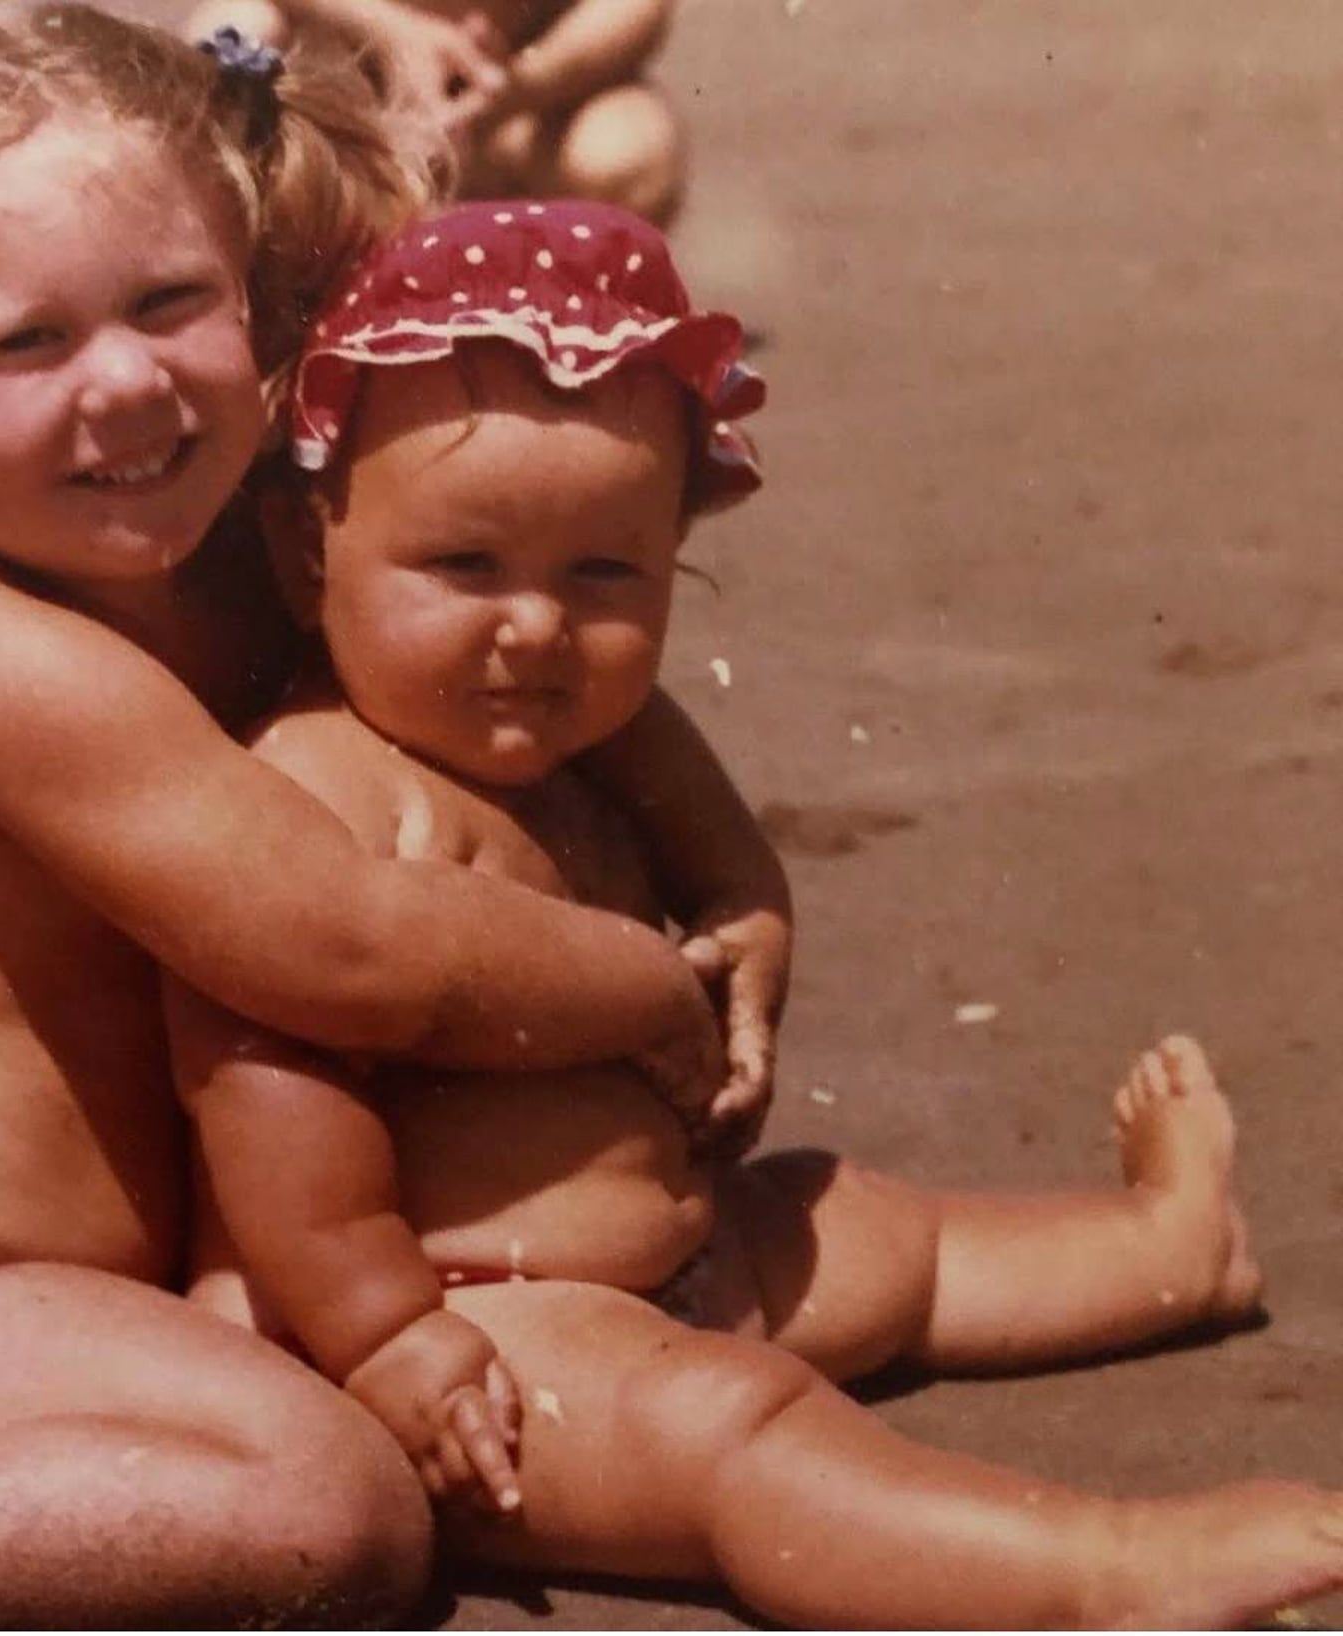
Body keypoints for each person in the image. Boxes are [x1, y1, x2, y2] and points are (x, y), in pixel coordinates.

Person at [0, 11, 788, 1628]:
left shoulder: (240, 538)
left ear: (251, 290)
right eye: (28, 344)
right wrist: (653, 985)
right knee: (336, 1503)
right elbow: (345, 949)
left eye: (168, 304)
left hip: (91, 1310)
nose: (128, 380)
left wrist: (735, 877)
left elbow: (545, 683)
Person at [169, 197, 1343, 1628]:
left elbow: (728, 869)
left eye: (605, 573)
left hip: (679, 1256)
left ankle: (1173, 1251)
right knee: (742, 1438)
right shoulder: (318, 790)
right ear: (310, 557)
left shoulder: (595, 731)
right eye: (465, 566)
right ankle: (1099, 1572)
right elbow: (266, 1087)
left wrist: (752, 934)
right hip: (463, 1338)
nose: (536, 627)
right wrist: (384, 1331)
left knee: (883, 1233)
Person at [184, 0, 686, 223]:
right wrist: (391, 31)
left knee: (625, 153)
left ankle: (597, 349)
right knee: (234, 30)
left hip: (516, 105)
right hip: (349, 96)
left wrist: (517, 85)